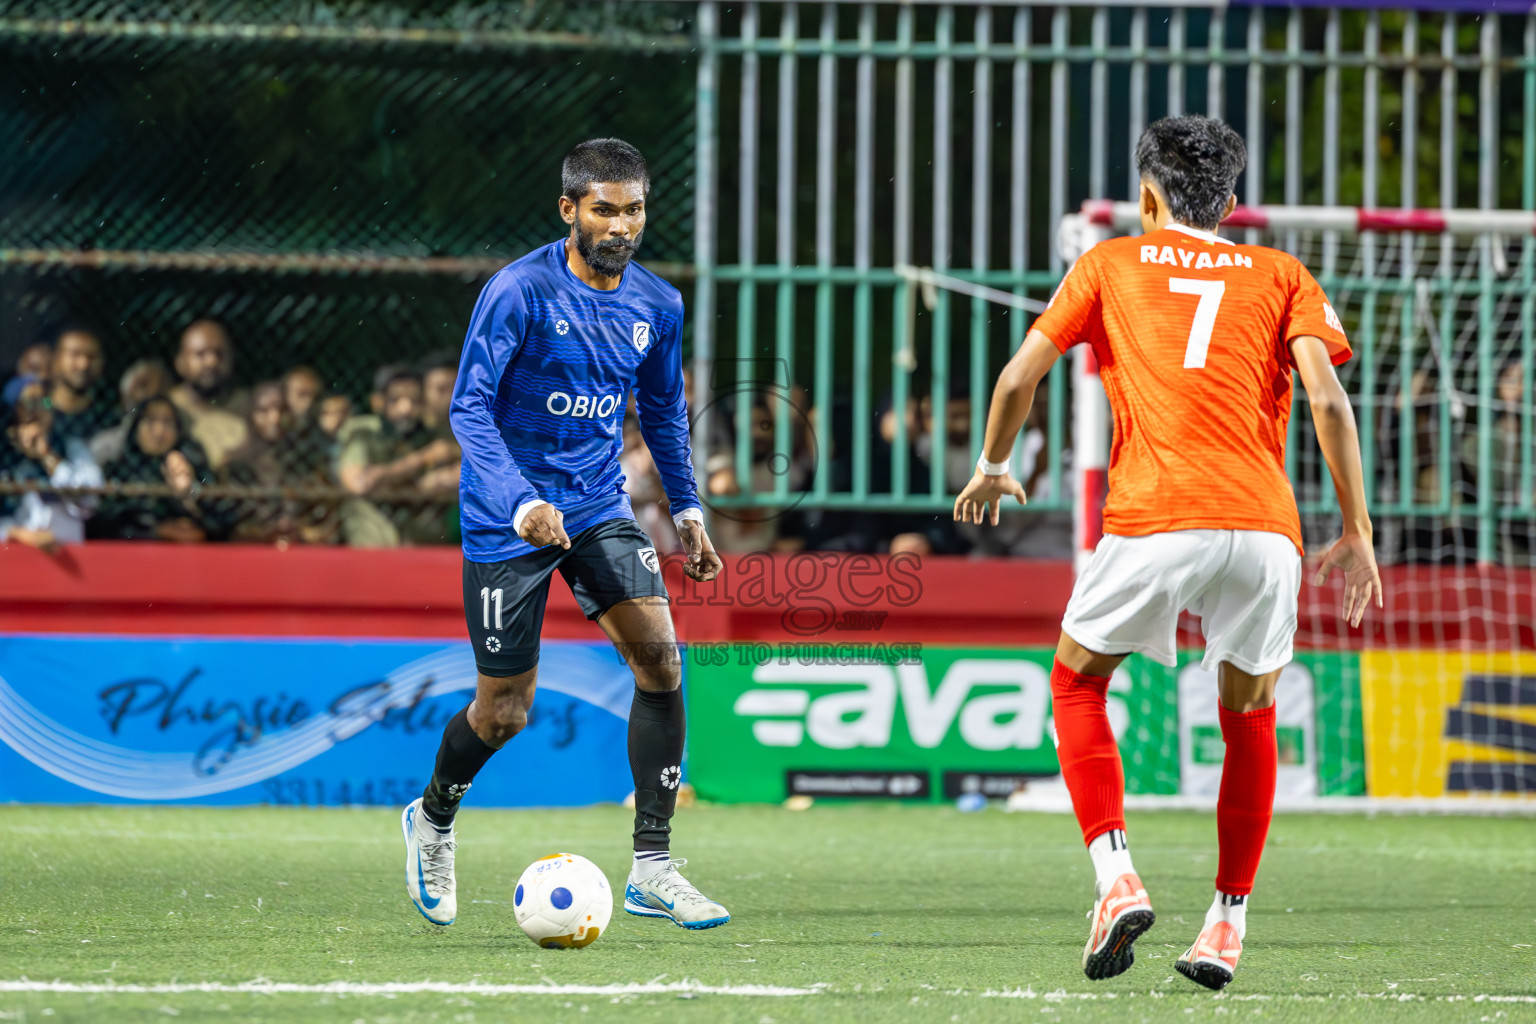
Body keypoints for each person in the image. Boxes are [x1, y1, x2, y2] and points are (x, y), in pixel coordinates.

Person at [955, 115, 1382, 991]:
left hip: (1158, 516)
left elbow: (1017, 378)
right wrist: (1359, 530)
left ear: (1147, 195)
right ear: (1232, 202)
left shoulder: (1109, 262)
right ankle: (1226, 922)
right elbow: (1330, 403)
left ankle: (1117, 879)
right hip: (1266, 527)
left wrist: (994, 466)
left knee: (1077, 681)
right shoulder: (1282, 273)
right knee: (1250, 715)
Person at [401, 138, 728, 932]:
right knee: (506, 710)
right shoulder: (518, 291)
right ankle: (433, 818)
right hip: (503, 517)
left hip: (594, 504)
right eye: (605, 210)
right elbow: (468, 409)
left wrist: (688, 512)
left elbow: (660, 415)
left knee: (659, 657)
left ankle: (653, 865)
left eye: (635, 209)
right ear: (569, 210)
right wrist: (518, 503)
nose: (622, 226)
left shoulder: (658, 304)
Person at [336, 368, 455, 546]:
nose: (405, 409)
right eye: (395, 400)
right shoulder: (364, 431)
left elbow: (462, 474)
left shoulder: (433, 434)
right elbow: (360, 483)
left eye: (414, 401)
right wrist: (421, 460)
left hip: (419, 540)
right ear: (378, 402)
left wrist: (437, 480)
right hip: (373, 540)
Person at [93, 395, 224, 543]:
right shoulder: (115, 470)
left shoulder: (192, 467)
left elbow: (219, 521)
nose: (159, 431)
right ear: (136, 427)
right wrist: (157, 531)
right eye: (151, 421)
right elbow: (103, 523)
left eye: (168, 423)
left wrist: (189, 496)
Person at [0, 379, 101, 549]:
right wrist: (14, 532)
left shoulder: (71, 448)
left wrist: (48, 456)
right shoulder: (5, 457)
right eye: (31, 402)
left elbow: (88, 503)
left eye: (46, 401)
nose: (40, 409)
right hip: (11, 556)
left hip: (66, 554)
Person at [169, 319, 248, 470]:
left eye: (219, 353)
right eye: (200, 354)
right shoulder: (166, 408)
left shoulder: (253, 406)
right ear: (180, 362)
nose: (211, 362)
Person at [90, 358, 175, 466]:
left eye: (161, 386)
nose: (152, 393)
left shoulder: (182, 445)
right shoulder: (106, 446)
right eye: (143, 385)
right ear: (125, 394)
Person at [47, 326, 115, 443]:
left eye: (92, 357)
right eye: (75, 354)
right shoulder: (35, 410)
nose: (83, 364)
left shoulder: (108, 419)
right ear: (56, 358)